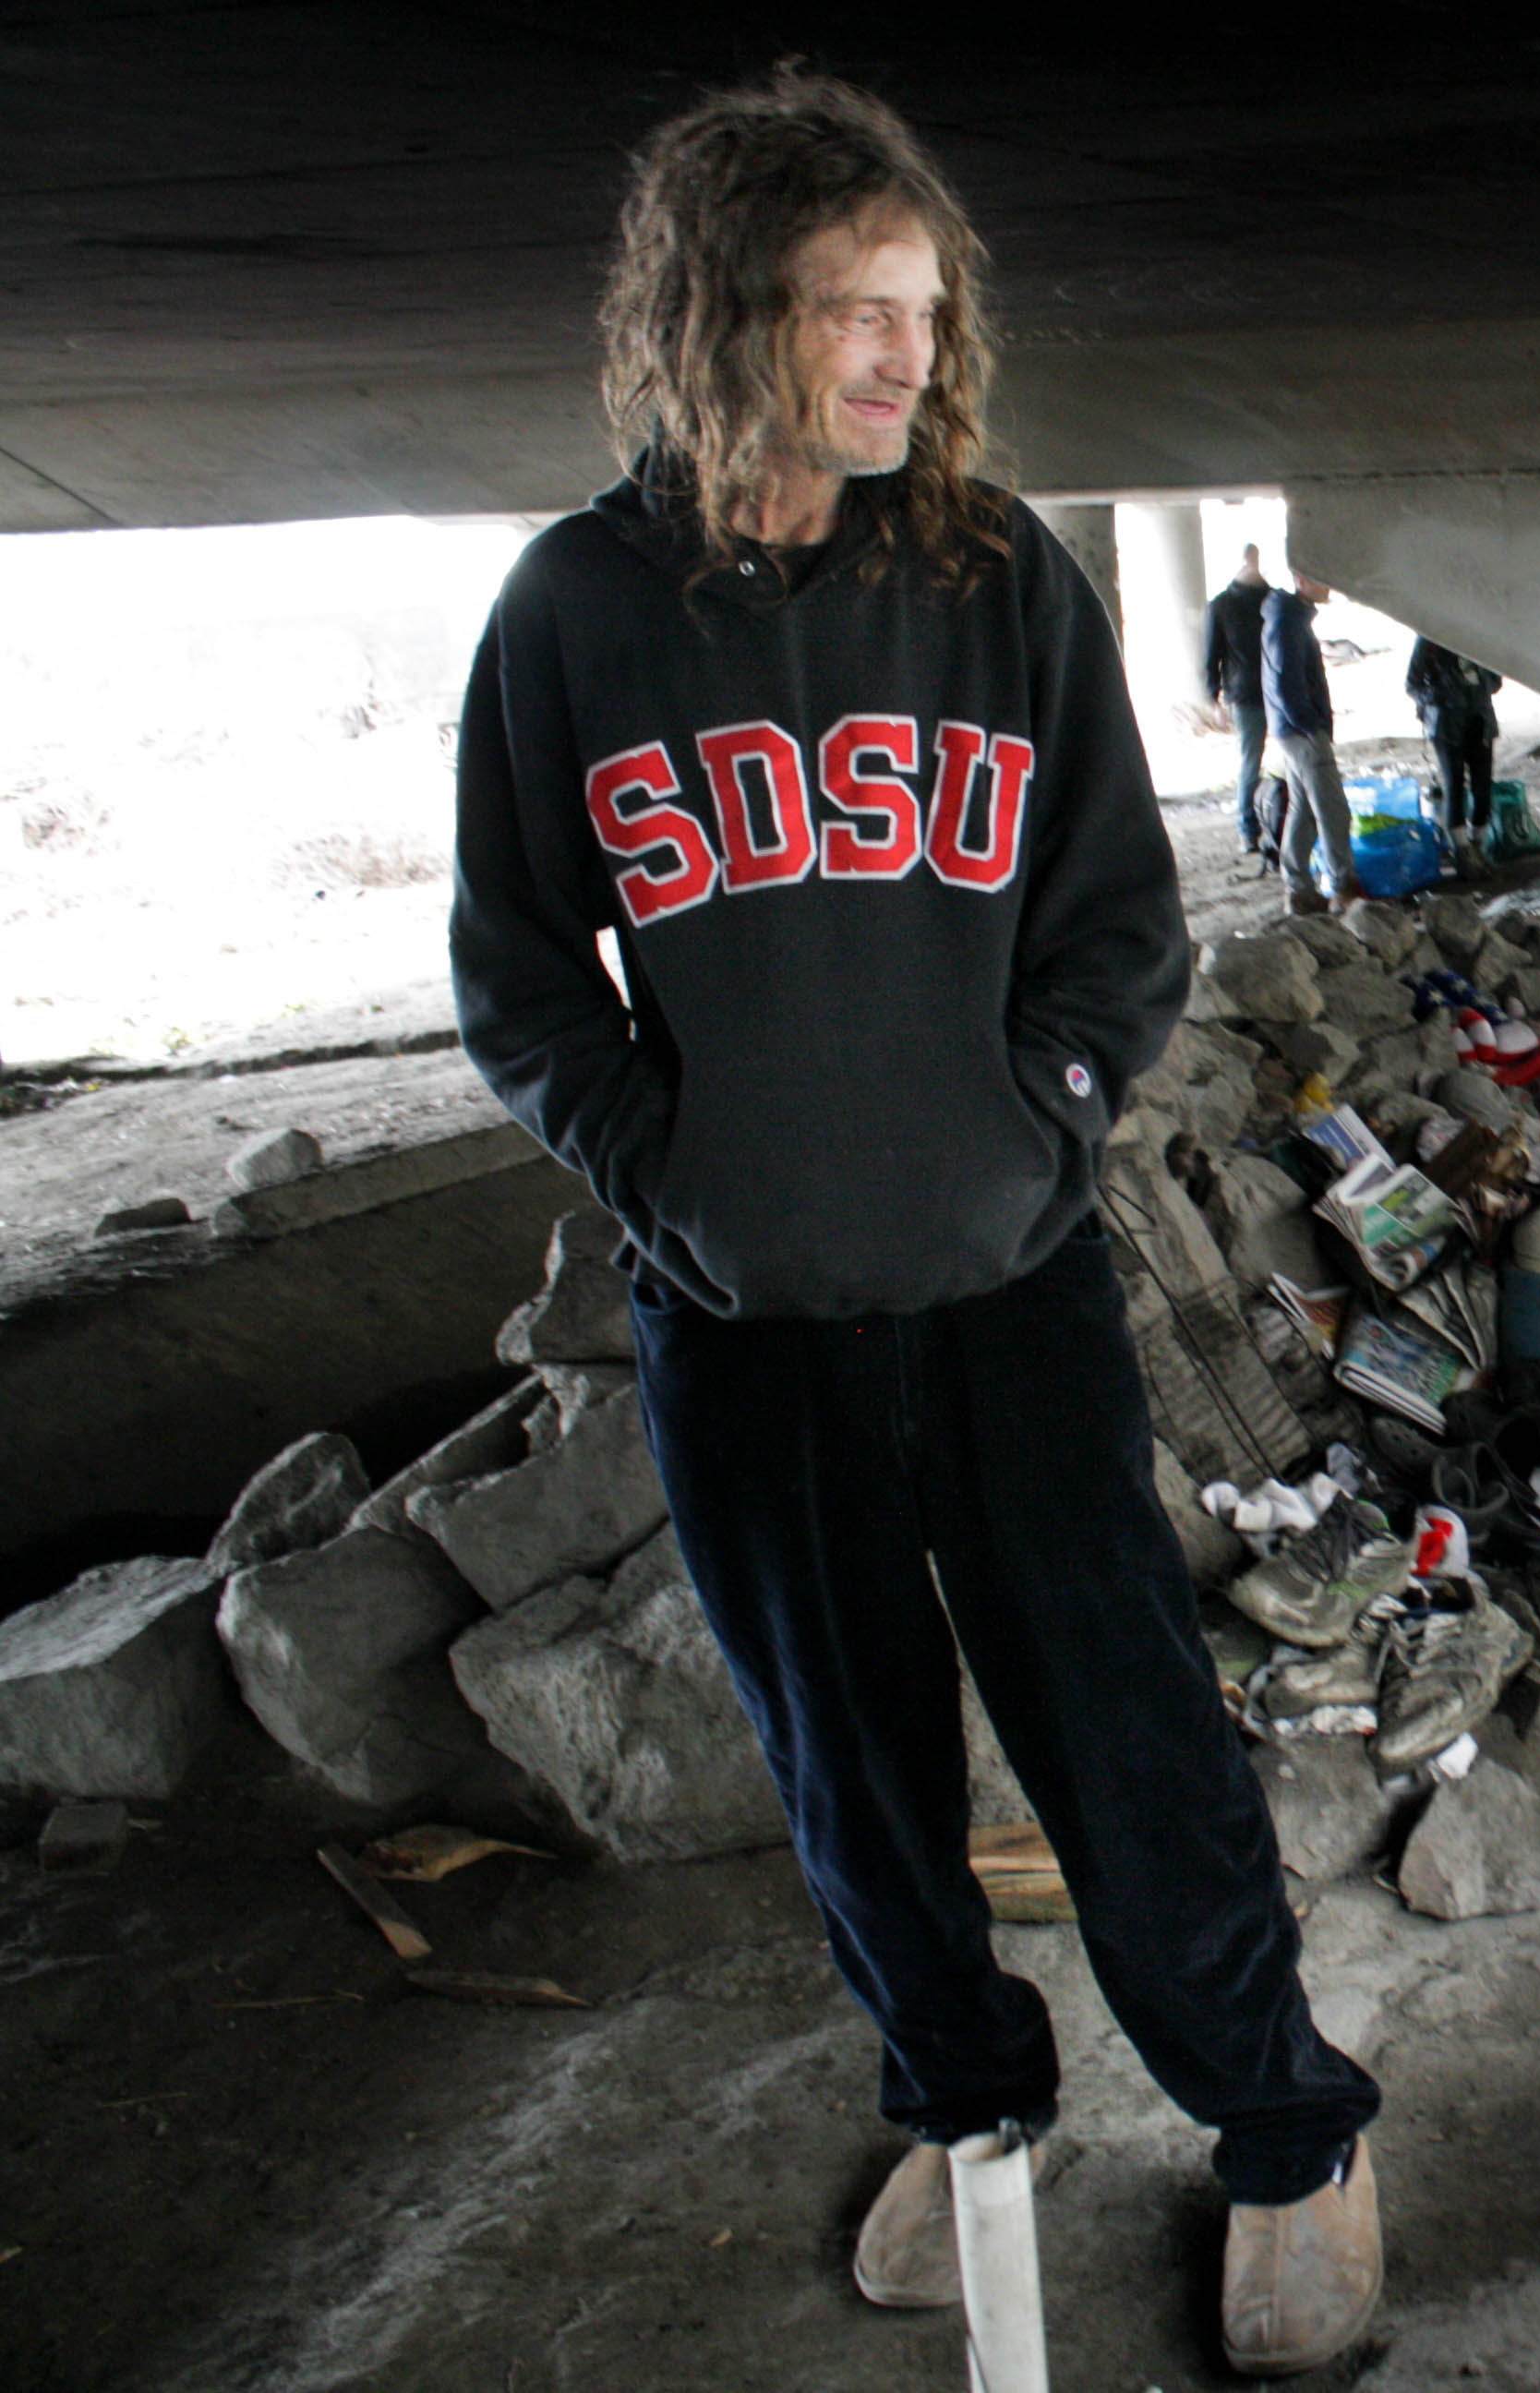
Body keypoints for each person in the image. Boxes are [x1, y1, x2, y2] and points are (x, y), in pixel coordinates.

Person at [443, 68, 1382, 2375]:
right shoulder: (573, 613)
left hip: (1006, 1286)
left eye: (919, 315)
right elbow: (513, 968)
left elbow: (1117, 926)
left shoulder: (994, 579)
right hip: (737, 1314)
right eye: (849, 314)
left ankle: (1285, 2133)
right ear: (713, 316)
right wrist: (669, 1176)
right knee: (841, 1753)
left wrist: (1041, 1128)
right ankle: (970, 2107)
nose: (898, 360)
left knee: (1122, 1727)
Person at [1262, 567, 1366, 913]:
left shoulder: (1288, 618)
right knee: (1332, 810)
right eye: (1323, 577)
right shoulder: (1287, 622)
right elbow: (1284, 684)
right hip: (1302, 733)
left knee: (1303, 810)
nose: (1331, 584)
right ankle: (1344, 888)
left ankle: (1299, 890)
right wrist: (1311, 725)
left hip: (1292, 731)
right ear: (1301, 580)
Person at [1196, 541, 1273, 863]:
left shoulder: (1273, 601)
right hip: (1247, 696)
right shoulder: (1222, 606)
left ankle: (1278, 824)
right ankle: (1248, 830)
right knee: (1252, 763)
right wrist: (1215, 698)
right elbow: (1210, 656)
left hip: (1275, 692)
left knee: (1286, 763)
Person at [1402, 635, 1502, 865]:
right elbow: (1412, 684)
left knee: (1483, 786)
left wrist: (1478, 684)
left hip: (1480, 717)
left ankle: (1478, 845)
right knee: (1454, 785)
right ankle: (1462, 850)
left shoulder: (1480, 638)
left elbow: (1496, 680)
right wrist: (1443, 696)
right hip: (1447, 724)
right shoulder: (1429, 639)